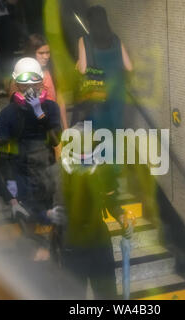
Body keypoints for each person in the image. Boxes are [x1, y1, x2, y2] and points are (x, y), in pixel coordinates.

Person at [46, 122, 134, 299]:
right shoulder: (57, 173)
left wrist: (122, 216)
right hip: (71, 246)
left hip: (99, 243)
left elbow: (111, 200)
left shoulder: (103, 170)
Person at [0, 57, 62, 245]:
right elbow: (3, 154)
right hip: (21, 174)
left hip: (46, 172)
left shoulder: (51, 108)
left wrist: (39, 113)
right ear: (16, 85)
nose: (30, 90)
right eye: (24, 86)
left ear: (42, 82)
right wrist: (10, 189)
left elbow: (56, 140)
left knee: (51, 219)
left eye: (34, 84)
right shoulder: (8, 113)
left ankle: (53, 253)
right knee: (27, 222)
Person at [75, 5, 133, 132]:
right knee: (116, 128)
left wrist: (79, 62)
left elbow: (83, 69)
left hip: (99, 91)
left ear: (89, 22)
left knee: (100, 131)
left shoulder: (84, 40)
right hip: (118, 91)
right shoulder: (116, 39)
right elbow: (129, 67)